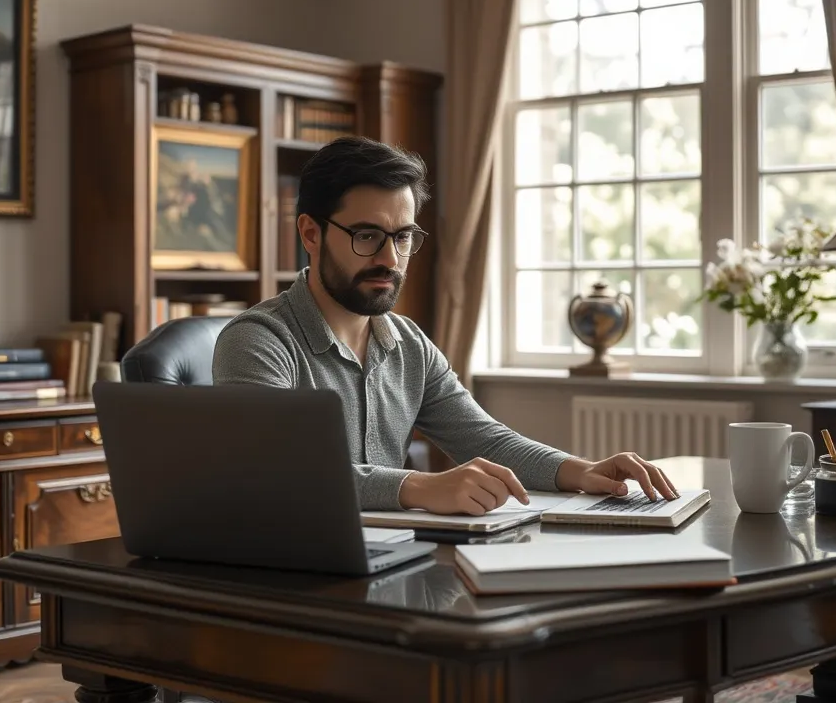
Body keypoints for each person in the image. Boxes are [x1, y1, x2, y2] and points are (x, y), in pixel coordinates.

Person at [212, 136, 678, 513]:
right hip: (287, 573)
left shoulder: (409, 343)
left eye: (402, 237)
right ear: (311, 233)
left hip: (390, 557)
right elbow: (276, 469)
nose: (389, 259)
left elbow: (483, 438)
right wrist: (421, 486)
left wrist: (581, 470)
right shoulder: (257, 341)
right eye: (367, 235)